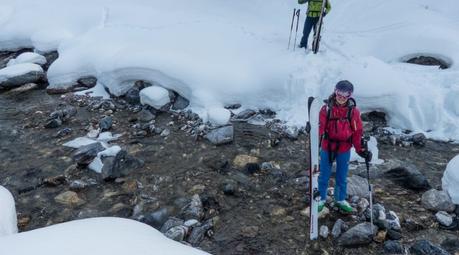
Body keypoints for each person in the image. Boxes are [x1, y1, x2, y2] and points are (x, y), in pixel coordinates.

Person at [318, 80, 372, 213]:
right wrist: (313, 132)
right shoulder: (326, 109)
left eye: (345, 94)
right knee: (324, 175)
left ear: (350, 95)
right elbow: (320, 128)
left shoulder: (353, 112)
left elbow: (357, 132)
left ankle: (340, 199)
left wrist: (361, 150)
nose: (341, 97)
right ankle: (321, 198)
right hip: (327, 147)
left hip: (344, 148)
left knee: (342, 176)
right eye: (339, 93)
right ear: (335, 91)